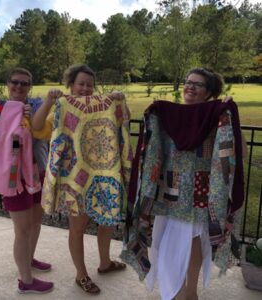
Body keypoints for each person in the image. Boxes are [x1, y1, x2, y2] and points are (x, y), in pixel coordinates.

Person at [121, 67, 246, 300]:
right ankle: (182, 292)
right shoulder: (167, 114)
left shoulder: (216, 115)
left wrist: (230, 115)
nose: (190, 86)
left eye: (197, 84)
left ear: (208, 92)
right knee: (172, 241)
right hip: (170, 191)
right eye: (188, 82)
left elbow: (237, 153)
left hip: (199, 192)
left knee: (193, 239)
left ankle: (188, 291)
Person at [31, 64, 132, 295]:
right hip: (74, 178)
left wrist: (120, 100)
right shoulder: (62, 105)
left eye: (89, 84)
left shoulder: (105, 105)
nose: (86, 88)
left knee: (107, 221)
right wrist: (49, 100)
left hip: (104, 175)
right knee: (77, 227)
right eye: (81, 84)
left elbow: (123, 120)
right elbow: (37, 128)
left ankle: (105, 264)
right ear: (71, 85)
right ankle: (81, 274)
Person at [3, 67, 54, 294]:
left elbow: (39, 130)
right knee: (22, 229)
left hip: (39, 171)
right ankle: (26, 280)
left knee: (35, 223)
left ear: (30, 86)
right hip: (15, 178)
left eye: (24, 83)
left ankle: (29, 259)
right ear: (8, 84)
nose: (19, 87)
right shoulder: (0, 110)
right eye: (15, 82)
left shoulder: (37, 106)